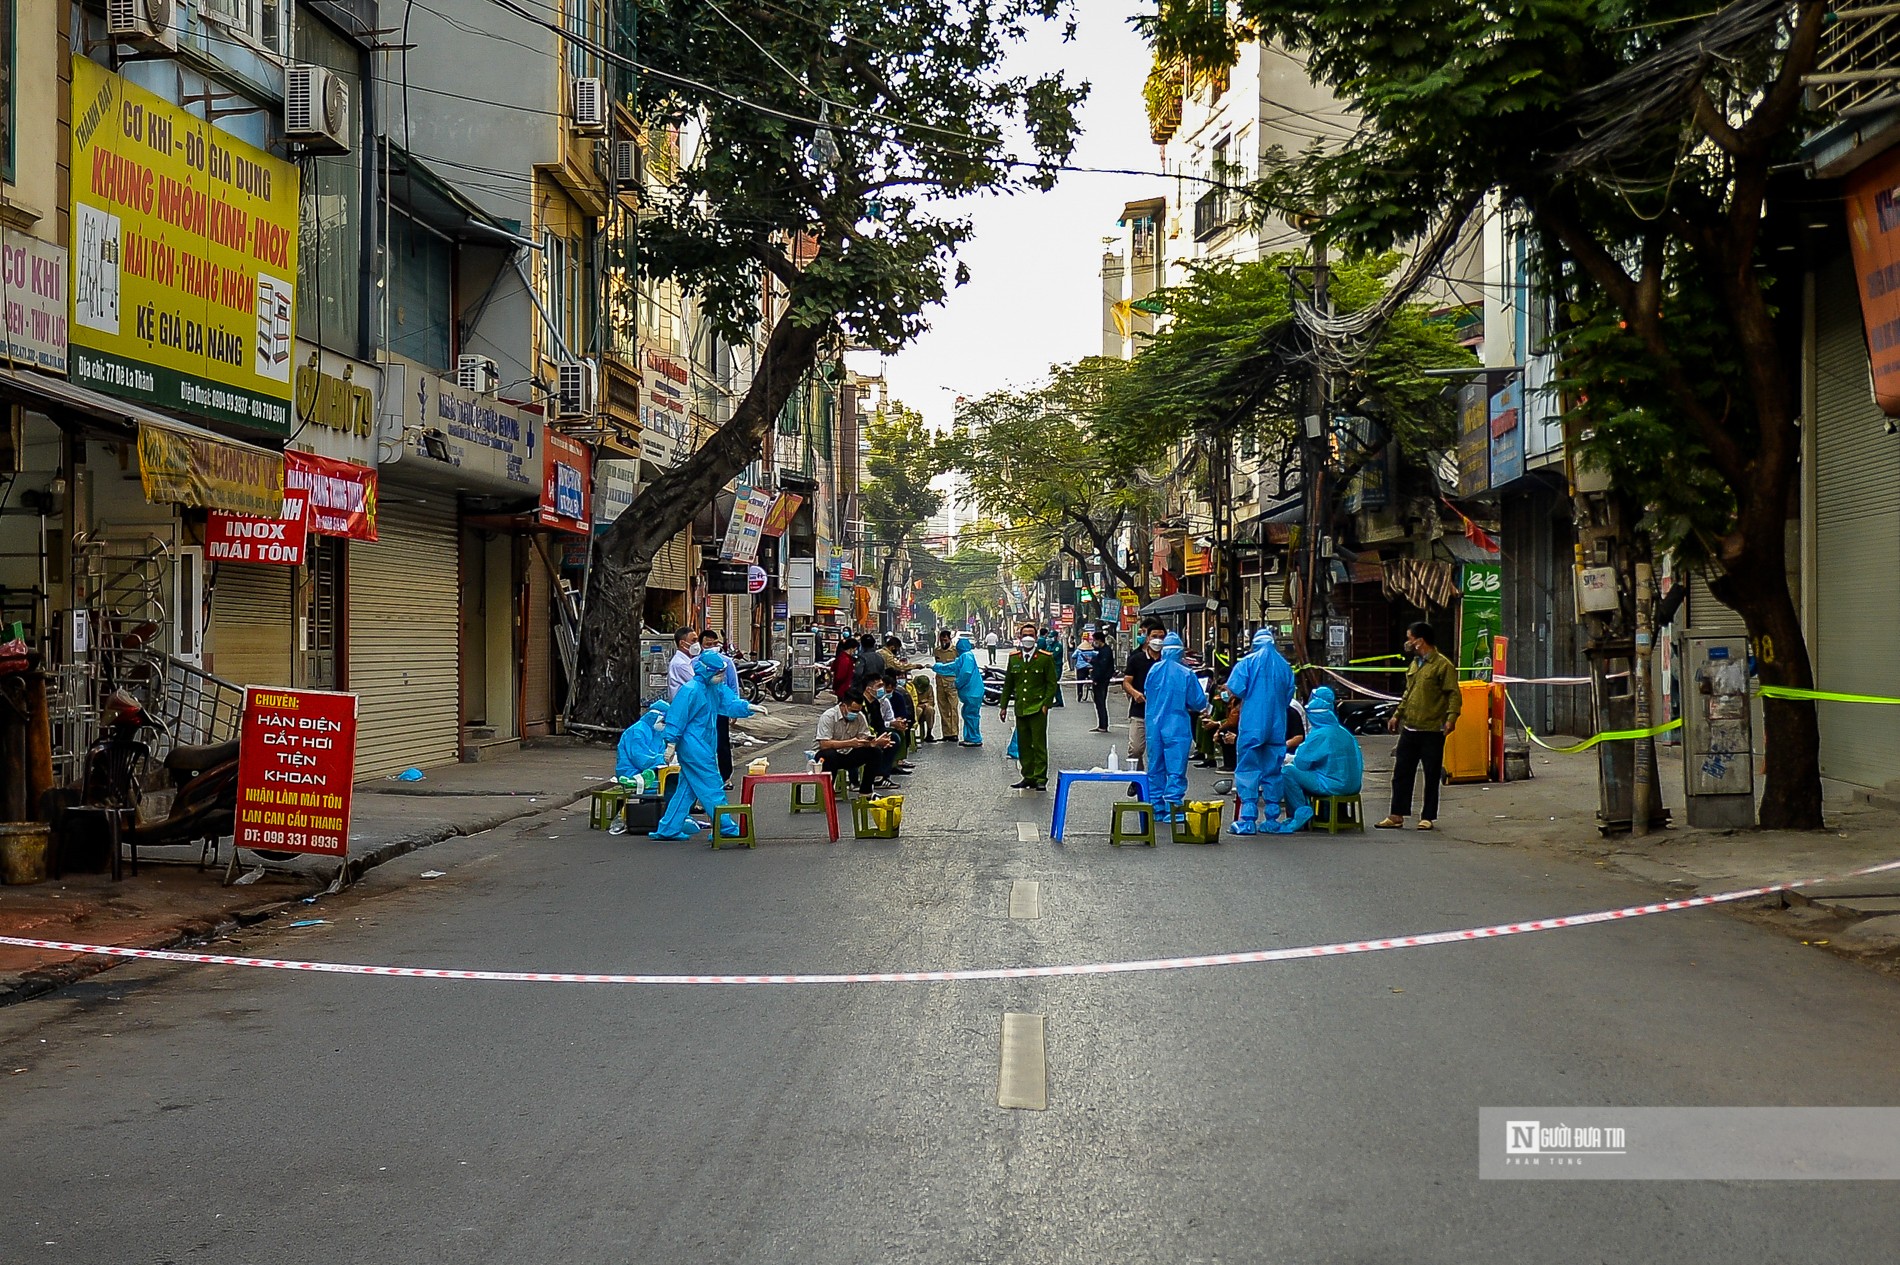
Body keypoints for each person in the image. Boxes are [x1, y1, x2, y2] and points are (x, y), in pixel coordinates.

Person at [650, 649, 754, 840]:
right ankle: (725, 828)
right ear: (706, 670)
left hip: (703, 743)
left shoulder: (714, 688)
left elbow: (729, 703)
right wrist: (670, 743)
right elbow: (676, 717)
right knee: (711, 785)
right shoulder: (691, 690)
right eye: (718, 673)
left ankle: (668, 828)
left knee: (687, 788)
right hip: (692, 745)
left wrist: (747, 707)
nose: (721, 677)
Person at [1376, 621, 1463, 831]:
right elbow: (1409, 693)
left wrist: (1451, 719)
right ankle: (1396, 814)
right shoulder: (1415, 664)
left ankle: (1427, 817)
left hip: (1432, 729)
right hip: (1410, 728)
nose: (1408, 642)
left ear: (1420, 641)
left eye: (1410, 638)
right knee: (1401, 773)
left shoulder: (1443, 665)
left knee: (1431, 775)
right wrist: (1397, 715)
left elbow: (1454, 694)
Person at [1265, 686, 1365, 834]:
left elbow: (1301, 763)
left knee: (1288, 772)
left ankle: (1300, 811)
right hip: (1353, 785)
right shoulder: (1345, 732)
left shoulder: (1319, 735)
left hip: (1332, 785)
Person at [1224, 627, 1295, 836]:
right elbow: (1288, 696)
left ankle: (1247, 819)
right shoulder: (1285, 667)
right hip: (1276, 725)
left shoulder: (1247, 663)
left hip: (1253, 724)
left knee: (1248, 769)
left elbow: (1236, 689)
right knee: (1273, 770)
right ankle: (1272, 819)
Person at [1140, 631, 1208, 823]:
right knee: (1176, 769)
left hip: (1154, 725)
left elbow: (1147, 692)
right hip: (1177, 727)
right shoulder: (1186, 673)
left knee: (1155, 767)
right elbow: (1198, 702)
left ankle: (1156, 807)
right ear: (1180, 652)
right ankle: (1173, 807)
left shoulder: (1153, 670)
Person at [998, 621, 1060, 790]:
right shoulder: (1014, 658)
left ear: (1036, 637)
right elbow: (1008, 684)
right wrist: (1003, 706)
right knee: (1024, 745)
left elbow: (1051, 684)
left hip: (1038, 707)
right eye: (1024, 635)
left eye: (1031, 635)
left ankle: (1040, 778)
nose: (1028, 638)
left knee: (1038, 744)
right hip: (1021, 707)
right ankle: (1028, 776)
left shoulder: (1044, 658)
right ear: (1019, 637)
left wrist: (1046, 704)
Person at [815, 688, 895, 794]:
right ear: (843, 706)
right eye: (853, 711)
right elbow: (824, 744)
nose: (855, 714)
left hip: (849, 754)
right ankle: (827, 793)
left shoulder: (860, 717)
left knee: (875, 752)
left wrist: (874, 743)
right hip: (827, 757)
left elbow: (864, 738)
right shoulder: (828, 717)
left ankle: (866, 792)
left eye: (858, 711)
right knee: (829, 754)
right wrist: (849, 743)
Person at [1122, 617, 1167, 771]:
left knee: (1159, 752)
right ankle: (1138, 779)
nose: (1158, 641)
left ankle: (1156, 784)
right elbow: (1126, 681)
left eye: (1161, 637)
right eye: (1154, 637)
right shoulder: (1137, 659)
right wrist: (1135, 694)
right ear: (1147, 639)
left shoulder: (1167, 661)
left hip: (1163, 713)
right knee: (1135, 749)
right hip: (1140, 711)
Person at [699, 628, 739, 785]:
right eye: (707, 644)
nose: (710, 647)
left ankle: (726, 776)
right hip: (702, 712)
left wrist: (734, 708)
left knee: (722, 743)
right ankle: (706, 778)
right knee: (703, 744)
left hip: (721, 710)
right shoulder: (697, 663)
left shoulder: (726, 662)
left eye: (713, 644)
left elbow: (733, 685)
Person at [934, 633, 986, 745]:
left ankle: (974, 738)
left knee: (970, 715)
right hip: (971, 692)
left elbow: (966, 673)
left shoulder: (967, 656)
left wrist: (956, 683)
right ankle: (970, 737)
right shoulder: (964, 657)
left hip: (972, 692)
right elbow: (951, 666)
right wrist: (936, 667)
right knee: (968, 714)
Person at [615, 699, 670, 785]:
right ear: (654, 717)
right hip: (631, 773)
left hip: (650, 772)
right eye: (663, 722)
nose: (664, 725)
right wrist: (664, 759)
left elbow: (661, 753)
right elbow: (640, 759)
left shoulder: (658, 734)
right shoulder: (637, 731)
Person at [879, 669, 917, 774]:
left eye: (890, 690)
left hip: (891, 723)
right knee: (893, 734)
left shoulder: (898, 696)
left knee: (901, 731)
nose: (888, 692)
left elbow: (902, 713)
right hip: (880, 726)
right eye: (886, 689)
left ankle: (898, 761)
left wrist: (899, 721)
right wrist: (891, 723)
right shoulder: (875, 700)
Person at [931, 628, 961, 745]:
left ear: (949, 639)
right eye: (941, 638)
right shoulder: (937, 651)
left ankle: (954, 733)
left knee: (953, 708)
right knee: (943, 708)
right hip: (940, 682)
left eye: (945, 638)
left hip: (951, 682)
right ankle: (946, 733)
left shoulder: (955, 651)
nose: (943, 641)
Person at [1087, 629, 1115, 732]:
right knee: (1098, 703)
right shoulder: (1099, 651)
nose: (1093, 642)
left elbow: (1102, 667)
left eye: (1094, 640)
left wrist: (1096, 678)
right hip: (1099, 679)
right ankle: (1101, 724)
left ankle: (1103, 725)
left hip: (1102, 680)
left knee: (1101, 702)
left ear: (1099, 640)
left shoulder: (1106, 651)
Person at [665, 626, 698, 699]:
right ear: (682, 643)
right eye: (693, 641)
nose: (696, 644)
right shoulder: (680, 664)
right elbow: (697, 684)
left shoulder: (686, 661)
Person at [831, 634, 857, 700]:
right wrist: (835, 687)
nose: (854, 652)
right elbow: (840, 676)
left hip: (844, 689)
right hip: (843, 689)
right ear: (851, 648)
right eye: (854, 650)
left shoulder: (844, 657)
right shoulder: (845, 660)